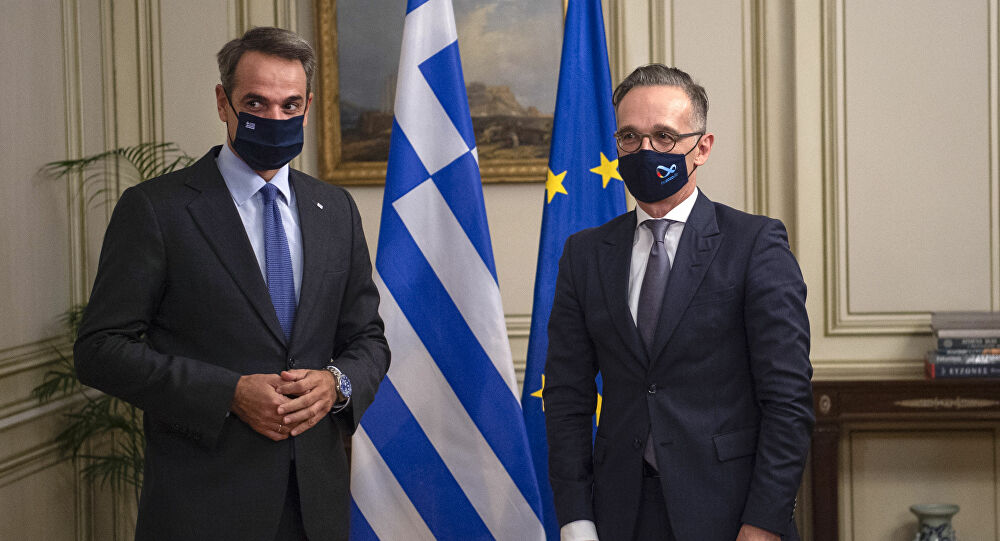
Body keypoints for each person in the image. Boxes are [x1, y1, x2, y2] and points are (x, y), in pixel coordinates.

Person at [74, 27, 390, 541]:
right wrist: (229, 393)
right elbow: (99, 350)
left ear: (308, 107)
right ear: (224, 103)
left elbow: (368, 339)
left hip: (317, 505)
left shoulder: (335, 209)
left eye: (290, 105)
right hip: (203, 507)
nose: (275, 118)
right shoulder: (157, 209)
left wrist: (337, 383)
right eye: (256, 103)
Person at [544, 64, 814, 541]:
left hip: (731, 513)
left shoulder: (754, 244)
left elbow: (787, 400)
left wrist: (764, 522)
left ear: (701, 148)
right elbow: (567, 396)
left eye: (664, 136)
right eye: (630, 137)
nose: (645, 150)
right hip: (619, 513)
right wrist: (575, 516)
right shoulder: (585, 254)